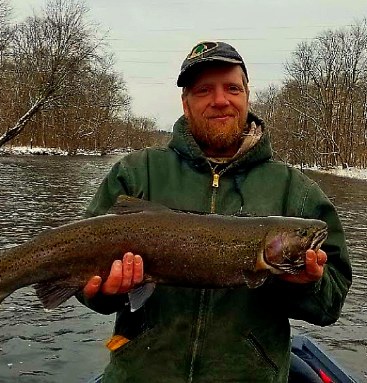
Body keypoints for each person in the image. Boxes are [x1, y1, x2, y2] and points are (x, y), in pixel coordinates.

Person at [78, 41, 352, 382]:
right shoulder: (136, 172)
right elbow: (81, 279)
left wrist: (306, 285)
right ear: (186, 103)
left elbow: (331, 303)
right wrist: (102, 293)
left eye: (232, 88)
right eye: (204, 90)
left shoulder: (296, 191)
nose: (220, 100)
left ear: (247, 95)